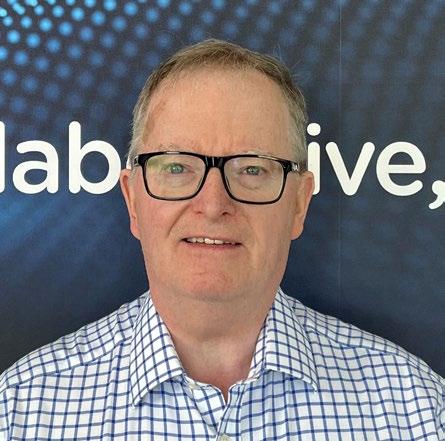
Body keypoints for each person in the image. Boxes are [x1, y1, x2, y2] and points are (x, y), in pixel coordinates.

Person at [0, 39, 443, 441]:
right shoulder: (21, 412)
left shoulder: (417, 411)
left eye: (252, 169)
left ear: (299, 204)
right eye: (177, 167)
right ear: (133, 200)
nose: (213, 204)